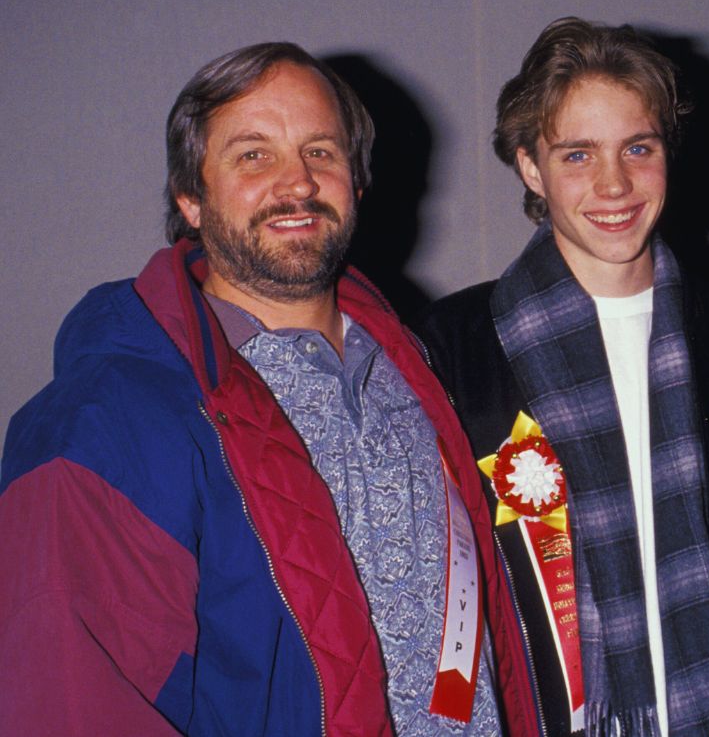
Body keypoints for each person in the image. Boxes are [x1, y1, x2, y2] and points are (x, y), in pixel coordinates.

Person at [0, 42, 525, 736]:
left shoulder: (420, 372)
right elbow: (66, 702)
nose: (297, 183)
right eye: (253, 154)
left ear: (356, 182)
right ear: (191, 195)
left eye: (321, 152)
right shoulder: (101, 422)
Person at [417, 17, 709, 737]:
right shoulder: (451, 347)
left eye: (637, 148)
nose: (613, 183)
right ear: (530, 165)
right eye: (577, 154)